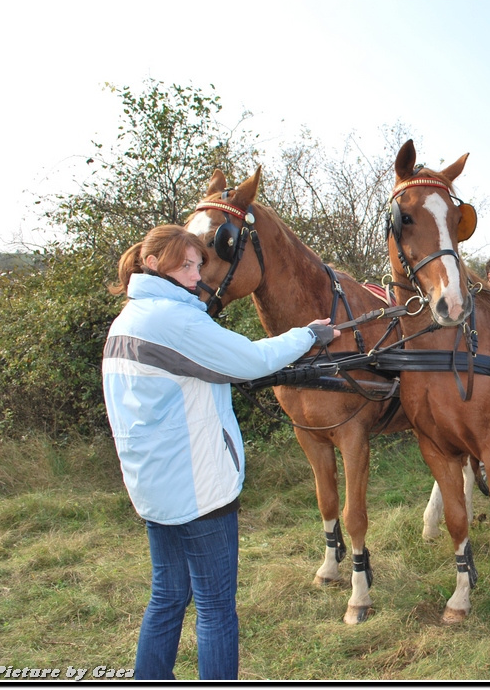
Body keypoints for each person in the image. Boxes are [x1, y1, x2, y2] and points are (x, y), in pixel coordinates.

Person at [101, 224, 340, 680]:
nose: (197, 275)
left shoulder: (128, 320)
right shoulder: (175, 320)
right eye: (186, 265)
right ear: (153, 266)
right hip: (198, 487)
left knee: (168, 596)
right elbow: (249, 360)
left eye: (198, 264)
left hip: (154, 486)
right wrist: (306, 335)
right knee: (214, 610)